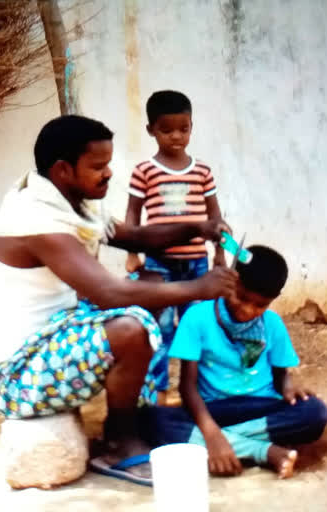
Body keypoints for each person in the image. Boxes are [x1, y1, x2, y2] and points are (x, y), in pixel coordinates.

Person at [0, 114, 237, 486]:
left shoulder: (68, 202)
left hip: (52, 336)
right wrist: (199, 288)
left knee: (150, 284)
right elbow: (108, 293)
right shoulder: (36, 218)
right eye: (98, 166)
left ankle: (132, 415)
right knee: (131, 328)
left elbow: (136, 238)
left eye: (108, 163)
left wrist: (197, 227)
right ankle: (119, 441)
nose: (109, 173)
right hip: (14, 374)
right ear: (63, 169)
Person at [140, 246, 327, 479]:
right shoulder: (197, 317)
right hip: (213, 409)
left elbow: (281, 376)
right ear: (231, 282)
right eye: (242, 297)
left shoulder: (273, 324)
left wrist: (288, 387)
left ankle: (220, 444)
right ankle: (261, 450)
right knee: (152, 420)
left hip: (260, 407)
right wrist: (212, 433)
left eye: (260, 305)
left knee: (315, 413)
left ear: (273, 300)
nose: (248, 310)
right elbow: (187, 388)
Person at [124, 90, 228, 405]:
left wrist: (219, 254)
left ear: (191, 127)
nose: (176, 136)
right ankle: (159, 393)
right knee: (160, 331)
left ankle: (198, 389)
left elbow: (214, 215)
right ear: (151, 130)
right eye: (166, 130)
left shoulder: (202, 171)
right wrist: (131, 251)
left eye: (184, 128)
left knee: (198, 327)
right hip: (159, 266)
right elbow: (132, 213)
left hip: (196, 264)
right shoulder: (145, 171)